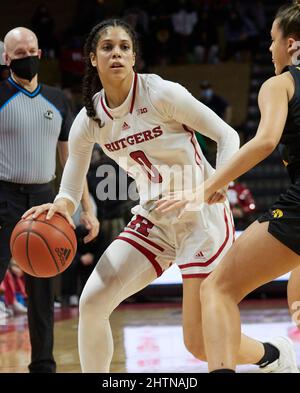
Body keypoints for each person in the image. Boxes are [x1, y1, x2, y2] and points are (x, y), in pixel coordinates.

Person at [23, 19, 296, 373]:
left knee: (196, 343)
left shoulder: (160, 93)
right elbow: (71, 189)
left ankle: (272, 354)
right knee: (92, 302)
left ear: (135, 57)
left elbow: (227, 135)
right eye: (107, 47)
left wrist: (213, 190)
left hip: (202, 218)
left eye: (124, 47)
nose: (116, 53)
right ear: (92, 58)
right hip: (154, 218)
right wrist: (59, 207)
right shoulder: (90, 118)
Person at [155, 1, 300, 373]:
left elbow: (265, 140)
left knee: (217, 289)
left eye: (273, 40)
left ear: (293, 44)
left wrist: (206, 188)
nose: (270, 49)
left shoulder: (280, 83)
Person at [0, 27, 99, 372]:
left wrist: (88, 207)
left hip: (45, 200)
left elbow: (72, 160)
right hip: (4, 197)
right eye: (18, 52)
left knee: (43, 289)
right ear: (6, 58)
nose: (26, 57)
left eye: (31, 50)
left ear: (40, 53)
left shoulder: (58, 99)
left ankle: (43, 365)